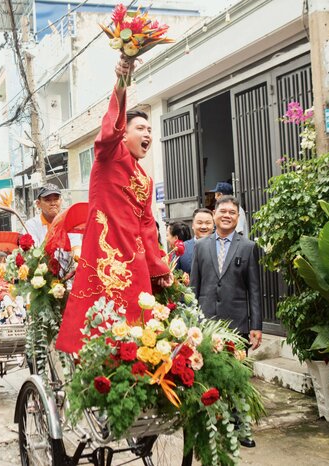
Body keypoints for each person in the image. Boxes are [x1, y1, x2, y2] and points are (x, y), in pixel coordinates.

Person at [56, 56, 172, 354]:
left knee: (140, 330)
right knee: (101, 325)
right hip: (104, 253)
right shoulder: (110, 155)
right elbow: (110, 130)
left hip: (135, 259)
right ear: (125, 133)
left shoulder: (145, 179)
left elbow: (147, 225)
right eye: (141, 128)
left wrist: (158, 267)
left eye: (150, 131)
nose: (147, 134)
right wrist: (121, 84)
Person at [189, 196, 262, 448]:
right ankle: (212, 426)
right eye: (223, 211)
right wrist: (193, 322)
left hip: (238, 324)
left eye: (233, 212)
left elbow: (254, 290)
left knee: (239, 378)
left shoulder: (248, 247)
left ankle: (242, 428)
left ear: (238, 217)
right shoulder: (201, 246)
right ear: (215, 214)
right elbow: (194, 287)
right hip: (207, 325)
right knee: (208, 376)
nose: (227, 215)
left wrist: (256, 326)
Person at [178, 208, 214, 274]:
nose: (204, 226)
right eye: (199, 223)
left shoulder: (220, 246)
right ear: (192, 225)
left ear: (213, 226)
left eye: (208, 223)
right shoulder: (182, 248)